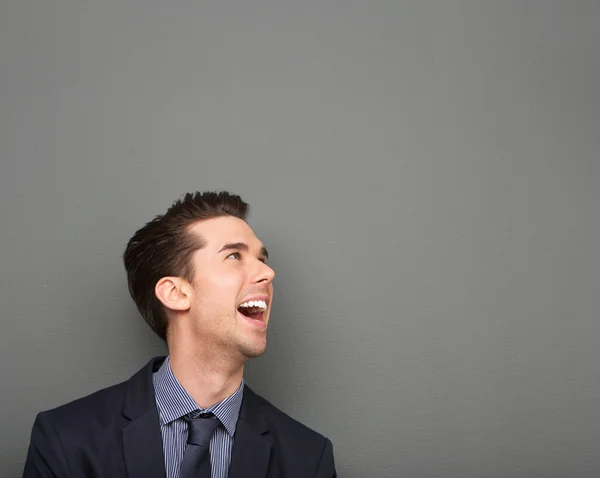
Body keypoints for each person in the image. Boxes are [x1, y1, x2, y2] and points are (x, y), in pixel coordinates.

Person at [23, 191, 337, 478]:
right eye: (234, 256)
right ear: (175, 293)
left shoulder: (308, 458)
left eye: (262, 259)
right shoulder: (65, 439)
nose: (267, 273)